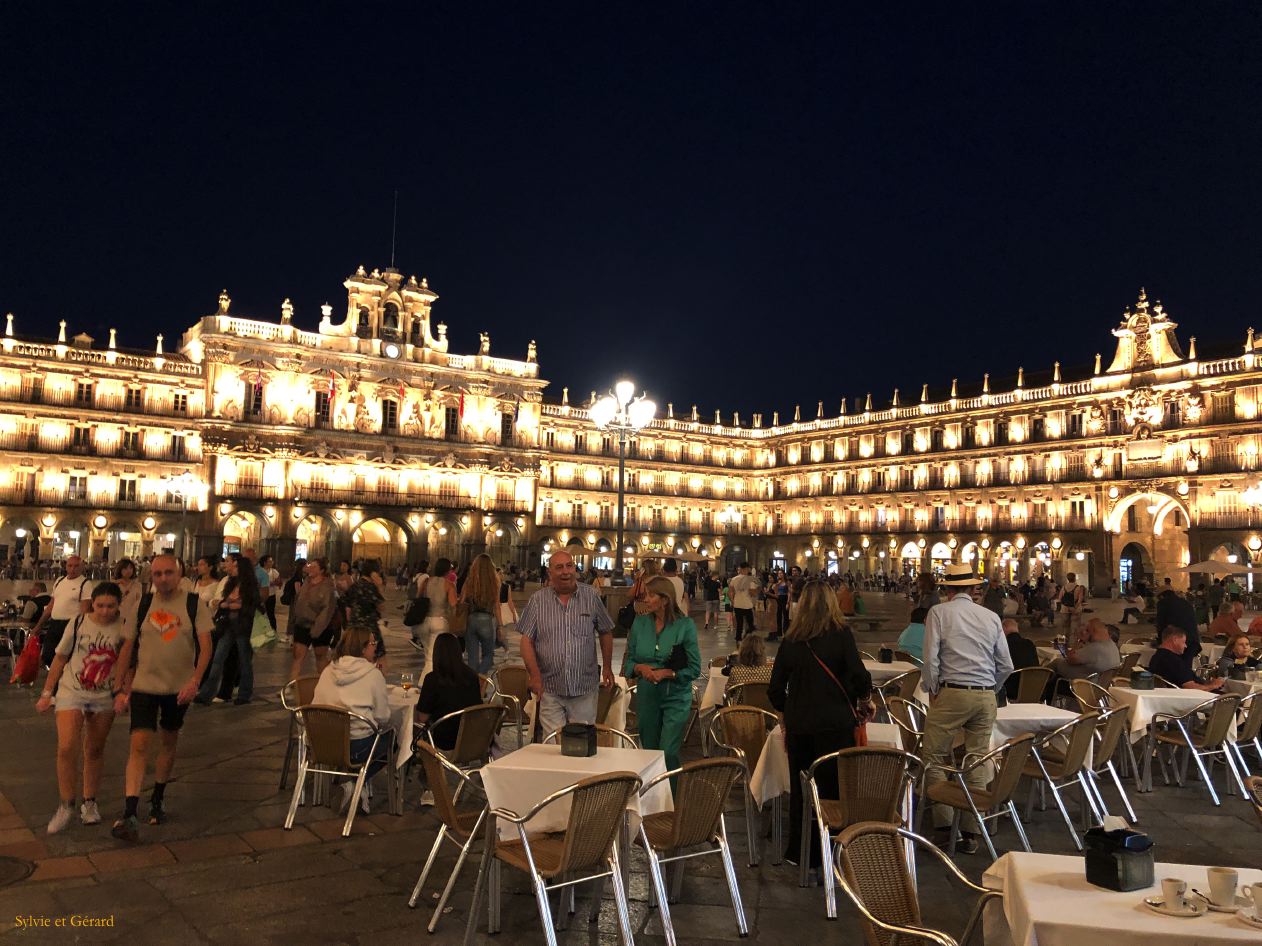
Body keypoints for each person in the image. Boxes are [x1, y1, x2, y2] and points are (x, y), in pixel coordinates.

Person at [769, 581, 874, 867]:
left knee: (802, 789)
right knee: (833, 789)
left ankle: (801, 851)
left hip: (801, 726)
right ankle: (833, 849)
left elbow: (775, 689)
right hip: (836, 726)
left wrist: (789, 709)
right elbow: (859, 676)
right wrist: (864, 699)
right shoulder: (841, 635)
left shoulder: (791, 640)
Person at [109, 554, 211, 842]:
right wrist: (119, 688)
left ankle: (157, 796)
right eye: (157, 574)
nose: (163, 578)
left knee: (168, 741)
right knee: (139, 744)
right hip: (144, 686)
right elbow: (127, 647)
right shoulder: (142, 605)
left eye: (168, 573)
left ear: (180, 575)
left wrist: (195, 681)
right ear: (151, 576)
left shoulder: (193, 604)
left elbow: (206, 648)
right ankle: (130, 811)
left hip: (178, 689)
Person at [920, 562, 1014, 855]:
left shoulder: (939, 613)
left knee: (934, 757)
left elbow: (931, 658)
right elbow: (1007, 665)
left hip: (953, 692)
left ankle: (945, 826)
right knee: (976, 758)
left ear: (947, 589)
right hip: (985, 695)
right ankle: (972, 831)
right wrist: (990, 688)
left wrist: (934, 689)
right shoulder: (990, 617)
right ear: (973, 588)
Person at [36, 583, 127, 834]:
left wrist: (123, 693)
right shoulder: (78, 622)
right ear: (92, 604)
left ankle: (89, 802)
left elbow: (129, 663)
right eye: (100, 606)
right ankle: (66, 804)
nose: (105, 611)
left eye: (111, 606)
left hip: (104, 694)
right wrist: (47, 692)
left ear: (119, 605)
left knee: (95, 749)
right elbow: (60, 657)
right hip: (71, 690)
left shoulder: (126, 627)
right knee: (67, 746)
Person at [517, 549, 615, 736]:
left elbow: (605, 631)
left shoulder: (591, 596)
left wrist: (608, 667)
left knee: (581, 743)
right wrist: (534, 675)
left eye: (569, 566)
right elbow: (526, 641)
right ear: (550, 572)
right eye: (559, 567)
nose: (565, 572)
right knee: (554, 746)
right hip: (550, 689)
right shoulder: (537, 601)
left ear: (575, 569)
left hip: (584, 688)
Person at [623, 576, 701, 774]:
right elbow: (629, 661)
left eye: (650, 595)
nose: (645, 600)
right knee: (648, 753)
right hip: (647, 696)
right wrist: (640, 668)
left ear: (665, 600)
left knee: (667, 752)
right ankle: (650, 801)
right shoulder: (640, 624)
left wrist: (669, 673)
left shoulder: (685, 626)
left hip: (675, 696)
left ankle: (671, 800)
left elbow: (694, 668)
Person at [313, 625, 392, 814]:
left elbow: (316, 704)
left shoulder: (328, 670)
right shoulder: (373, 675)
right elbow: (383, 717)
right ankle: (356, 783)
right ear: (363, 648)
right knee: (394, 739)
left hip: (323, 743)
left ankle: (356, 787)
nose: (375, 647)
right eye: (373, 643)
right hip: (357, 746)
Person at [195, 553, 260, 705]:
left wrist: (233, 604)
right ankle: (206, 694)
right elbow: (224, 602)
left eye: (236, 566)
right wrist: (227, 604)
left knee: (244, 661)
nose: (233, 568)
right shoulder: (230, 583)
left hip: (243, 627)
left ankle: (244, 694)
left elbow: (251, 605)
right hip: (228, 626)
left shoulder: (249, 585)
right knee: (217, 659)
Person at [32, 554, 95, 669]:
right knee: (48, 656)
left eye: (76, 566)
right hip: (55, 623)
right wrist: (39, 625)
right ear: (65, 567)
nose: (73, 569)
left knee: (66, 657)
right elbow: (51, 605)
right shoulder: (59, 581)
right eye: (70, 566)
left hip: (71, 625)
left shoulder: (85, 584)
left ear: (81, 568)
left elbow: (85, 610)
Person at [289, 558, 338, 681]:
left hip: (321, 628)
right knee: (297, 656)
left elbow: (327, 610)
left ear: (322, 570)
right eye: (310, 566)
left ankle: (327, 684)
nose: (310, 568)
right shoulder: (306, 582)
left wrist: (317, 629)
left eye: (314, 567)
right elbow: (299, 601)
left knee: (320, 657)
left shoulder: (327, 586)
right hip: (302, 624)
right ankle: (291, 687)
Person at [459, 553, 502, 674]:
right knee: (488, 656)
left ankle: (473, 685)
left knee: (472, 658)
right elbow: (497, 606)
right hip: (487, 619)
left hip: (471, 619)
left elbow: (462, 601)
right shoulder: (495, 582)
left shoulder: (469, 581)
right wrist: (500, 626)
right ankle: (480, 680)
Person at [1147, 626, 1222, 691]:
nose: (1185, 646)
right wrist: (1214, 686)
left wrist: (1208, 683)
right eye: (1183, 642)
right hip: (1197, 699)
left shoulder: (1156, 657)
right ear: (1175, 640)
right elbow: (1191, 688)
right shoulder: (1173, 661)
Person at [419, 558, 458, 677]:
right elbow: (453, 604)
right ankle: (425, 682)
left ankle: (432, 679)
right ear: (447, 570)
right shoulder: (449, 584)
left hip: (424, 620)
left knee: (427, 654)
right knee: (433, 655)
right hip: (440, 621)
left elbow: (419, 597)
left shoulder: (426, 581)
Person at [1051, 617, 1121, 681]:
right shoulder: (1112, 646)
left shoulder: (1095, 648)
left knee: (1054, 664)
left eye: (1087, 630)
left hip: (1076, 686)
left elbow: (1069, 658)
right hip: (1097, 685)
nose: (1084, 632)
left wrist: (1079, 640)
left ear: (1094, 631)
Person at [1155, 588, 1201, 668]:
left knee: (1173, 669)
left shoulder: (1163, 603)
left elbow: (1161, 624)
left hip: (1177, 641)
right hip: (1192, 641)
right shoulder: (1186, 603)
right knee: (1185, 669)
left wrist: (1160, 641)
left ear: (1161, 596)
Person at [1001, 618, 1040, 700]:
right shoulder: (1029, 644)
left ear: (1004, 628)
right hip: (1035, 688)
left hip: (1012, 689)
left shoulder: (1004, 645)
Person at [726, 563, 760, 642]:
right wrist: (757, 590)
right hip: (747, 604)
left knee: (739, 623)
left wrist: (732, 601)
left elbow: (729, 592)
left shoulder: (734, 579)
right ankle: (749, 639)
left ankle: (738, 639)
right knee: (750, 623)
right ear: (746, 569)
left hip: (737, 604)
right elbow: (753, 593)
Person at [259, 554, 280, 632]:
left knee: (271, 614)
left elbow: (279, 582)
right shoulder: (259, 571)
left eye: (272, 561)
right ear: (265, 562)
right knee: (260, 614)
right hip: (260, 595)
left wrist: (272, 583)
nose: (272, 563)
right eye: (270, 561)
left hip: (271, 595)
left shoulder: (274, 571)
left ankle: (273, 630)